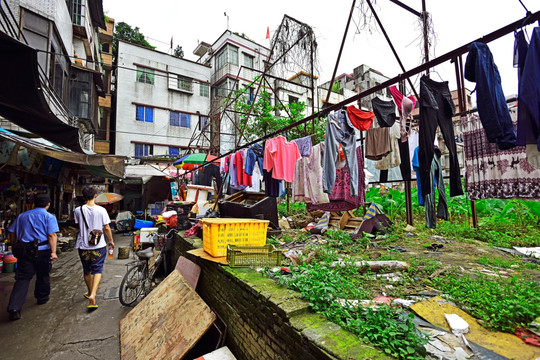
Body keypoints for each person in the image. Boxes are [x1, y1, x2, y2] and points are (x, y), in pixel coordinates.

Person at [6, 193, 59, 321]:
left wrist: (14, 245)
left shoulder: (22, 216)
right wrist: (53, 252)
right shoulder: (49, 217)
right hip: (42, 251)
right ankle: (42, 298)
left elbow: (11, 232)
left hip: (25, 251)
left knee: (23, 279)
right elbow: (52, 235)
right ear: (48, 204)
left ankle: (14, 307)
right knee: (43, 274)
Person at [73, 186, 114, 310]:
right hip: (99, 245)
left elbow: (78, 225)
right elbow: (106, 227)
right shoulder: (101, 210)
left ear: (83, 197)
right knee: (97, 270)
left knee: (87, 271)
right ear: (95, 196)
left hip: (83, 245)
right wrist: (111, 240)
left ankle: (90, 292)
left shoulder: (77, 210)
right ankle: (93, 294)